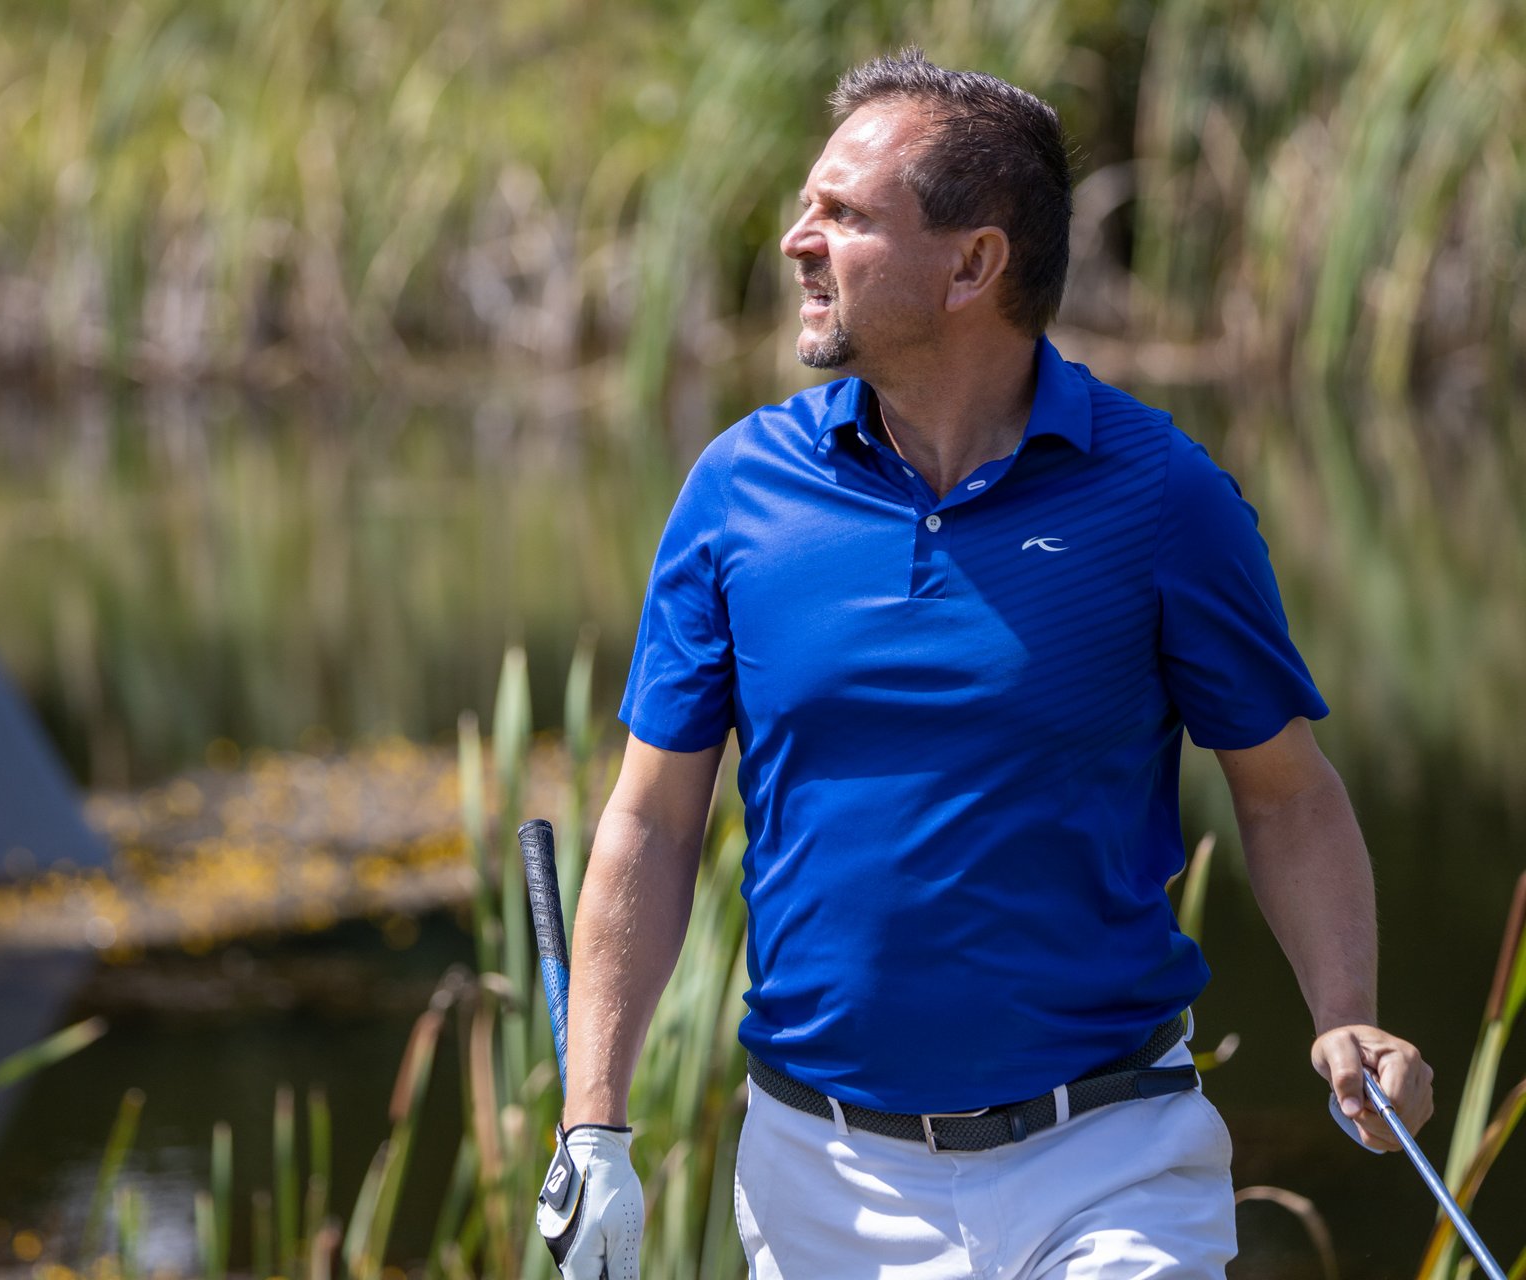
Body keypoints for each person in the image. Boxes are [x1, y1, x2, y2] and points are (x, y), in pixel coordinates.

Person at [533, 49, 1435, 1280]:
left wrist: (1347, 1011)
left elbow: (1285, 792)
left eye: (845, 213)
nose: (797, 239)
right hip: (823, 1187)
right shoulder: (739, 492)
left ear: (973, 265)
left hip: (1108, 1160)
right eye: (808, 206)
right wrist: (593, 1123)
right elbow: (651, 820)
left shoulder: (1162, 497)